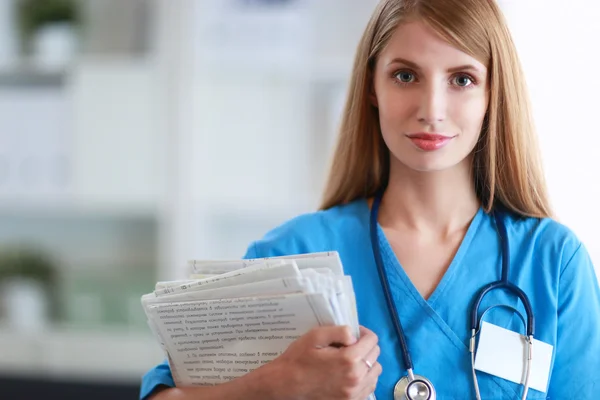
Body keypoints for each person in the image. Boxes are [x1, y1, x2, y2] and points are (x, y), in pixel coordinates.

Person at [140, 0, 600, 399]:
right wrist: (278, 385)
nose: (431, 109)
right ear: (371, 87)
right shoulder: (289, 257)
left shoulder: (553, 262)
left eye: (461, 79)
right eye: (405, 75)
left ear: (492, 94)